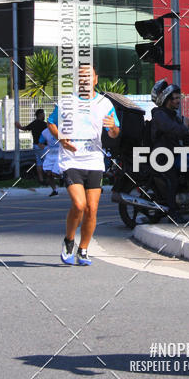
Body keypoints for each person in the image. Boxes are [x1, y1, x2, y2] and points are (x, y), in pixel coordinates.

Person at [47, 66, 120, 265]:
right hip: (71, 159)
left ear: (95, 79)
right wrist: (61, 138)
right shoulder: (66, 101)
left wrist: (112, 127)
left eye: (89, 76)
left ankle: (83, 249)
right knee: (79, 205)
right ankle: (69, 241)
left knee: (92, 209)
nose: (85, 80)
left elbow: (115, 133)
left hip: (94, 160)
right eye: (81, 77)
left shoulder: (104, 103)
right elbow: (51, 122)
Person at [150, 80, 189, 221]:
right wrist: (188, 132)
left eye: (179, 98)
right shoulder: (160, 114)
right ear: (167, 100)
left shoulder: (172, 115)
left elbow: (182, 133)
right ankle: (173, 213)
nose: (178, 101)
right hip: (162, 155)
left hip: (172, 152)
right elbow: (172, 129)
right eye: (175, 98)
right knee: (173, 180)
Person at [15, 109, 47, 184]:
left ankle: (41, 179)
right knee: (47, 161)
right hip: (43, 146)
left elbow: (24, 128)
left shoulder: (33, 123)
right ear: (40, 115)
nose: (44, 115)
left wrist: (19, 126)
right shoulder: (44, 124)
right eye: (43, 114)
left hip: (36, 145)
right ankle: (49, 178)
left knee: (39, 162)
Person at [38, 126, 61, 196]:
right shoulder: (45, 132)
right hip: (50, 154)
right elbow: (40, 143)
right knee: (48, 173)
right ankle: (55, 190)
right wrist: (44, 148)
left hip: (60, 154)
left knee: (55, 173)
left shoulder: (63, 130)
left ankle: (65, 177)